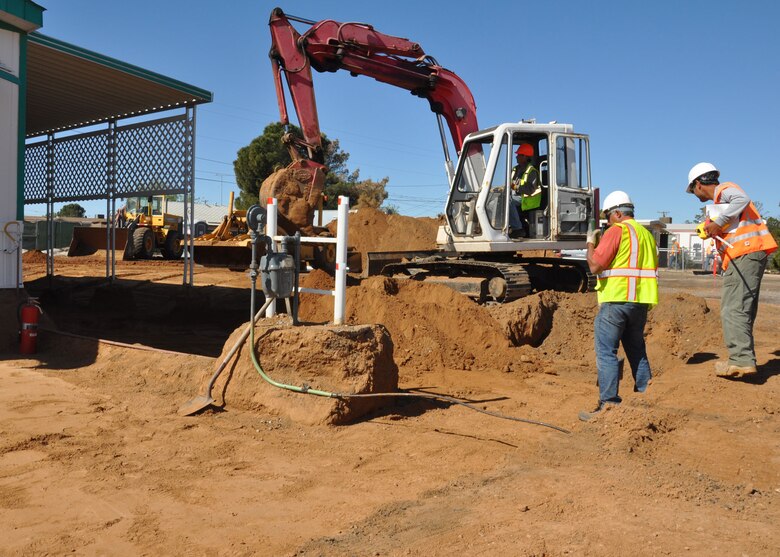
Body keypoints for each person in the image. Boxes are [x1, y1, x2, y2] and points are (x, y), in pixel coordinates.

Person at [686, 162, 777, 378]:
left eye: (693, 190)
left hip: (745, 253)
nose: (695, 194)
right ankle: (742, 358)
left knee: (733, 308)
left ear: (698, 184)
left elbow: (742, 199)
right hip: (749, 253)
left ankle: (741, 361)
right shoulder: (722, 201)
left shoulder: (725, 190)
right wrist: (714, 228)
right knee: (741, 307)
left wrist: (719, 222)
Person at [579, 190, 658, 421]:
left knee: (606, 353)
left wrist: (590, 243)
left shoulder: (617, 231)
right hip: (640, 303)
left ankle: (608, 405)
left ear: (617, 213)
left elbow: (595, 266)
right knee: (637, 351)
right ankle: (647, 397)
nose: (606, 221)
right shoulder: (647, 235)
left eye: (607, 216)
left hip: (616, 301)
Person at [508, 143, 541, 238]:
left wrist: (516, 187)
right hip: (516, 196)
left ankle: (518, 229)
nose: (516, 156)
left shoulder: (532, 172)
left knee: (509, 201)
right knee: (496, 200)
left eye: (519, 155)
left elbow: (530, 190)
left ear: (525, 157)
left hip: (528, 200)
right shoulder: (515, 169)